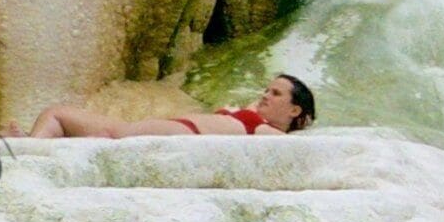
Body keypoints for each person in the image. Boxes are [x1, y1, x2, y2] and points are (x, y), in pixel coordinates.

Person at [20, 74, 317, 138]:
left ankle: (27, 152)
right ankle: (28, 148)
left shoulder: (267, 132)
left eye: (276, 93)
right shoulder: (253, 117)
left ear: (294, 111)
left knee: (56, 114)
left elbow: (290, 144)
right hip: (165, 132)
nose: (266, 95)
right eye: (265, 90)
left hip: (169, 134)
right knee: (57, 116)